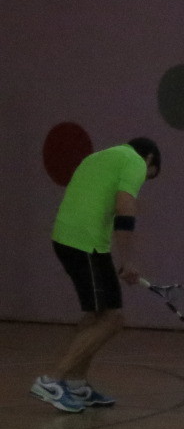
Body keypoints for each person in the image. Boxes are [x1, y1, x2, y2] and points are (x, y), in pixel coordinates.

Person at [31, 137, 162, 413]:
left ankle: (76, 384)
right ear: (149, 158)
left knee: (95, 316)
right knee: (113, 319)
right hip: (84, 243)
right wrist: (127, 261)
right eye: (148, 176)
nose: (142, 181)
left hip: (71, 239)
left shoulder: (98, 158)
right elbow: (125, 209)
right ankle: (51, 381)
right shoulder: (135, 161)